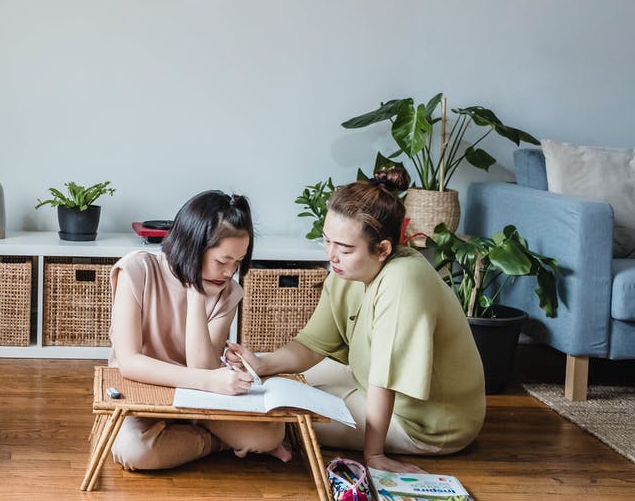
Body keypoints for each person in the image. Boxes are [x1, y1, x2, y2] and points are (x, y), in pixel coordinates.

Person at [227, 167, 485, 473]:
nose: (332, 255)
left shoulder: (403, 280)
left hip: (424, 422)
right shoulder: (346, 271)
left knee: (282, 415)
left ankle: (227, 437)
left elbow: (385, 378)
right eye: (327, 241)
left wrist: (374, 456)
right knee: (267, 382)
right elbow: (312, 346)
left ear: (383, 250)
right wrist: (262, 364)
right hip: (367, 380)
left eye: (345, 248)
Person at [108, 190, 292, 471]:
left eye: (238, 262)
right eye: (222, 261)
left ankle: (186, 437)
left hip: (198, 394)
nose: (229, 272)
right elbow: (130, 362)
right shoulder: (136, 270)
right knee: (135, 451)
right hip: (145, 390)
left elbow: (203, 366)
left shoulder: (228, 292)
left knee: (269, 435)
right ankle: (217, 444)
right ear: (193, 247)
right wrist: (193, 286)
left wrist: (196, 296)